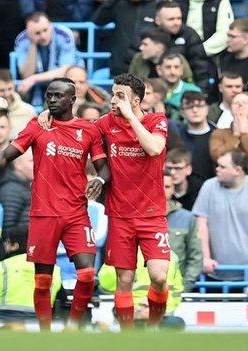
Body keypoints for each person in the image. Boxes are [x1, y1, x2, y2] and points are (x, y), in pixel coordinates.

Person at [0, 78, 108, 331]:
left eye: (58, 96)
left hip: (76, 212)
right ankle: (45, 334)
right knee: (43, 280)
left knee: (87, 275)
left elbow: (103, 167)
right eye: (49, 96)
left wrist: (98, 178)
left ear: (72, 100)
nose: (52, 100)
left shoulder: (89, 130)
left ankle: (73, 327)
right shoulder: (37, 126)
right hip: (43, 213)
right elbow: (8, 153)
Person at [91, 73, 170, 330]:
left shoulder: (157, 120)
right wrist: (49, 118)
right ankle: (128, 338)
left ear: (136, 100)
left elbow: (154, 148)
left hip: (151, 213)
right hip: (120, 214)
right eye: (113, 94)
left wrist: (131, 117)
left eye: (120, 96)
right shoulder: (105, 124)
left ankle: (153, 329)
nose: (113, 100)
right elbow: (79, 130)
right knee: (124, 280)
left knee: (159, 277)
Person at [193, 148, 248, 282]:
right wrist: (205, 257)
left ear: (237, 170)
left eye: (222, 167)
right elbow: (201, 223)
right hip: (216, 271)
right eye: (217, 165)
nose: (217, 169)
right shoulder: (209, 186)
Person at [0, 225, 64, 321]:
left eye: (7, 243)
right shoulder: (54, 271)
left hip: (3, 328)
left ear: (15, 246)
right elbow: (63, 309)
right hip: (41, 330)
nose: (5, 246)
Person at [14, 12, 81, 105]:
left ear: (50, 25)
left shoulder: (64, 34)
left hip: (65, 80)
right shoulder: (22, 40)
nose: (43, 36)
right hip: (38, 85)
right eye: (37, 33)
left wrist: (34, 78)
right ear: (29, 33)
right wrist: (32, 44)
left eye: (45, 30)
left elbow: (65, 72)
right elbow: (26, 74)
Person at [90, 0, 159, 76]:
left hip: (148, 66)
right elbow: (97, 20)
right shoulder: (119, 4)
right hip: (120, 65)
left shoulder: (158, 6)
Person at [154, 1, 210, 89]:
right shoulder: (149, 36)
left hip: (184, 89)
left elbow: (200, 67)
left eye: (179, 18)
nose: (176, 23)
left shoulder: (189, 34)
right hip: (153, 89)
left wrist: (200, 91)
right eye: (171, 19)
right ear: (158, 20)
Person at [164, 171, 202, 292]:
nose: (162, 190)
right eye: (157, 185)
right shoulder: (137, 217)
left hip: (176, 291)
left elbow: (195, 256)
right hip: (143, 292)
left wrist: (184, 287)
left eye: (167, 186)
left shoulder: (187, 218)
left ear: (173, 190)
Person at [129, 28, 194, 82]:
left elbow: (188, 82)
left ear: (159, 47)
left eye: (145, 44)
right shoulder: (138, 58)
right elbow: (130, 83)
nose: (141, 48)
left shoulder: (177, 59)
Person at [178, 91, 216, 181]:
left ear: (207, 109)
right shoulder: (177, 137)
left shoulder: (218, 135)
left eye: (199, 106)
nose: (195, 110)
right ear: (182, 112)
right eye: (189, 107)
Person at [0, 151, 33, 232]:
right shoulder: (10, 190)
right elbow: (8, 228)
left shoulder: (24, 187)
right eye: (31, 161)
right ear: (18, 165)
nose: (37, 164)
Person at [157, 52, 201, 121]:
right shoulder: (151, 90)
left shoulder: (194, 91)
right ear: (159, 70)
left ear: (182, 70)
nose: (172, 72)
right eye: (168, 67)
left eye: (176, 67)